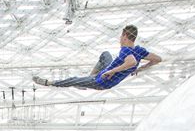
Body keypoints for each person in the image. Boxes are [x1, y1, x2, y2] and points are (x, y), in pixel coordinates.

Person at [33, 25, 161, 90]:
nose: (120, 38)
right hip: (104, 73)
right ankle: (89, 77)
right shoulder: (139, 50)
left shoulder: (125, 50)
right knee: (105, 55)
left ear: (124, 36)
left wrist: (112, 71)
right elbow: (157, 59)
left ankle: (49, 83)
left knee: (73, 80)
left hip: (101, 81)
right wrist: (141, 68)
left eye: (121, 36)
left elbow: (131, 62)